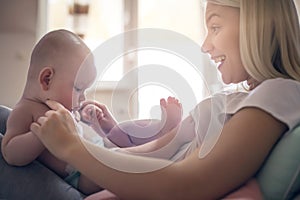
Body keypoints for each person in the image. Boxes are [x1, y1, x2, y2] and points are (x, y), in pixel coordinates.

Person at [30, 0, 300, 199]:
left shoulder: (279, 93)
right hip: (108, 173)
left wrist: (73, 148)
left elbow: (188, 183)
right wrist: (106, 140)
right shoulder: (243, 99)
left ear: (257, 27)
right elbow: (162, 146)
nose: (205, 45)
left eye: (215, 27)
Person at [1, 29, 182, 195]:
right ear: (47, 79)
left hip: (97, 150)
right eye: (79, 88)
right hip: (83, 173)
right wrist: (40, 135)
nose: (82, 97)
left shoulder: (61, 104)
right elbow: (10, 152)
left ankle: (159, 128)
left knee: (121, 130)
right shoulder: (25, 111)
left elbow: (79, 132)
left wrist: (92, 120)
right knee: (122, 158)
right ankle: (168, 143)